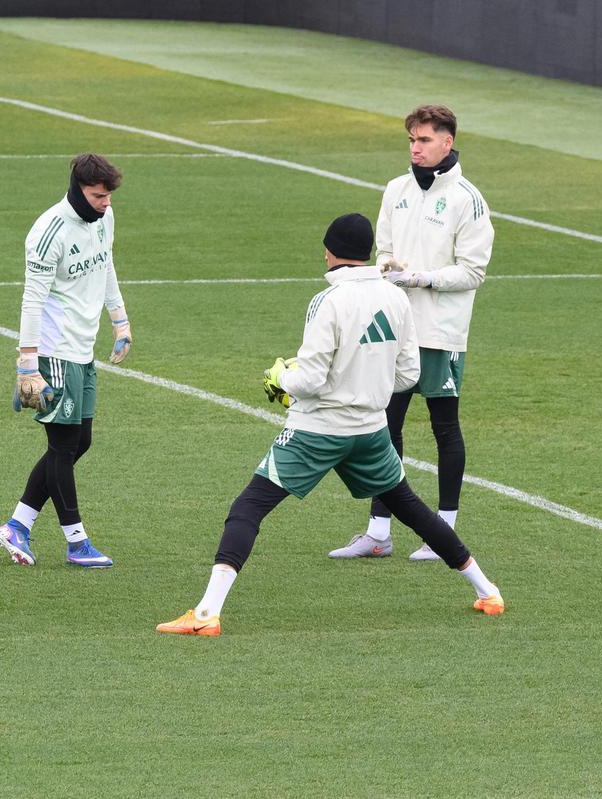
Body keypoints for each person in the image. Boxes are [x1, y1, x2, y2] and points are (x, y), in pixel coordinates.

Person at [157, 213, 504, 637]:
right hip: (371, 431)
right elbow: (408, 374)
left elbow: (309, 380)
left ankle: (207, 614)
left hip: (317, 431)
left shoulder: (328, 302)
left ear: (329, 252)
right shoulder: (396, 298)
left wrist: (279, 378)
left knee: (248, 508)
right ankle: (487, 590)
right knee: (410, 507)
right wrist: (366, 389)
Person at [330, 104, 494, 562]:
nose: (415, 148)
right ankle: (379, 531)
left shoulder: (467, 199)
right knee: (385, 426)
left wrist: (421, 278)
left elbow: (473, 272)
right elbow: (384, 250)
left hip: (440, 333)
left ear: (447, 141)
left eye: (424, 140)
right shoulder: (396, 189)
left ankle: (445, 535)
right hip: (395, 328)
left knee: (444, 428)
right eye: (411, 140)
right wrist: (390, 269)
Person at [0, 153, 133, 569]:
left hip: (82, 349)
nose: (105, 203)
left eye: (108, 196)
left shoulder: (104, 219)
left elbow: (106, 266)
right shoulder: (48, 231)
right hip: (54, 351)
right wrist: (27, 362)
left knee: (78, 442)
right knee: (62, 444)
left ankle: (18, 524)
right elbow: (32, 299)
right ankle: (76, 541)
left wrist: (120, 321)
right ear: (78, 189)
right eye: (97, 196)